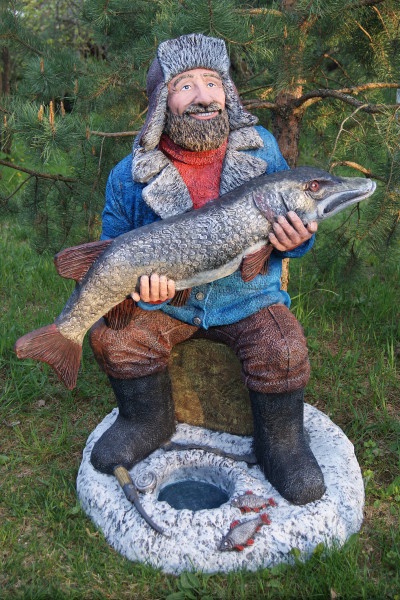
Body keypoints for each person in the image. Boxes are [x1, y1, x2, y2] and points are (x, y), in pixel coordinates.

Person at [88, 33, 325, 505]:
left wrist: (298, 240)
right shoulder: (129, 175)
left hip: (248, 297)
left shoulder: (261, 152)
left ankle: (281, 443)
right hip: (169, 307)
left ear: (228, 93)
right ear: (162, 101)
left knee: (283, 349)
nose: (204, 96)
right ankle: (147, 420)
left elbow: (296, 226)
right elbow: (111, 250)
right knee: (114, 339)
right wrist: (139, 293)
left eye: (213, 82)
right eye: (185, 85)